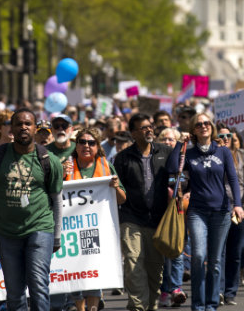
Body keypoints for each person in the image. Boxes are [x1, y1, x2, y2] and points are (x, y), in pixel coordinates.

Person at [0, 108, 64, 311]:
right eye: (19, 124)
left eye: (28, 123)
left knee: (39, 285)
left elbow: (57, 201)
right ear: (11, 129)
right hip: (7, 232)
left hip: (40, 228)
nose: (23, 127)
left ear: (35, 128)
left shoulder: (49, 160)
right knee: (14, 294)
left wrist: (56, 236)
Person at [168, 113, 243, 311]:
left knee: (215, 261)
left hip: (221, 212)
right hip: (197, 211)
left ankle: (211, 304)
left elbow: (233, 179)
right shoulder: (189, 153)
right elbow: (173, 167)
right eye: (199, 124)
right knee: (199, 256)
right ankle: (198, 305)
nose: (203, 126)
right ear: (193, 129)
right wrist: (179, 144)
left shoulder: (223, 152)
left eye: (206, 123)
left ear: (212, 127)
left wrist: (238, 204)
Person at [113, 113, 172, 311]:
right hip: (131, 218)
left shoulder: (166, 152)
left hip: (159, 220)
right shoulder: (122, 158)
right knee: (133, 263)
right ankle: (138, 306)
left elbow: (178, 178)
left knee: (155, 269)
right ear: (133, 133)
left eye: (150, 126)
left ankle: (150, 304)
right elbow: (117, 190)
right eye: (143, 128)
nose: (148, 130)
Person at [64, 127, 126, 311]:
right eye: (82, 142)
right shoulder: (66, 165)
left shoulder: (106, 166)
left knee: (94, 273)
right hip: (72, 230)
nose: (86, 146)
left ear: (98, 147)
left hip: (98, 229)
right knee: (76, 275)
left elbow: (122, 199)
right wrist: (59, 174)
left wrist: (115, 187)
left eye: (91, 143)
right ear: (76, 146)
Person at [222, 127, 244, 305]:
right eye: (221, 136)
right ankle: (218, 291)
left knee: (235, 251)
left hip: (239, 210)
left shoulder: (243, 156)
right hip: (218, 211)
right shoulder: (213, 155)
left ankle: (230, 291)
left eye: (230, 136)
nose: (226, 139)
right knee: (218, 252)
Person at [155, 127, 188, 308]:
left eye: (171, 139)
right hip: (160, 212)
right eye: (164, 139)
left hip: (179, 211)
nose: (167, 142)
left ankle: (175, 289)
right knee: (163, 252)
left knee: (177, 251)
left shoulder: (184, 159)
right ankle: (164, 290)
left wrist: (188, 194)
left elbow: (189, 180)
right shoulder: (155, 160)